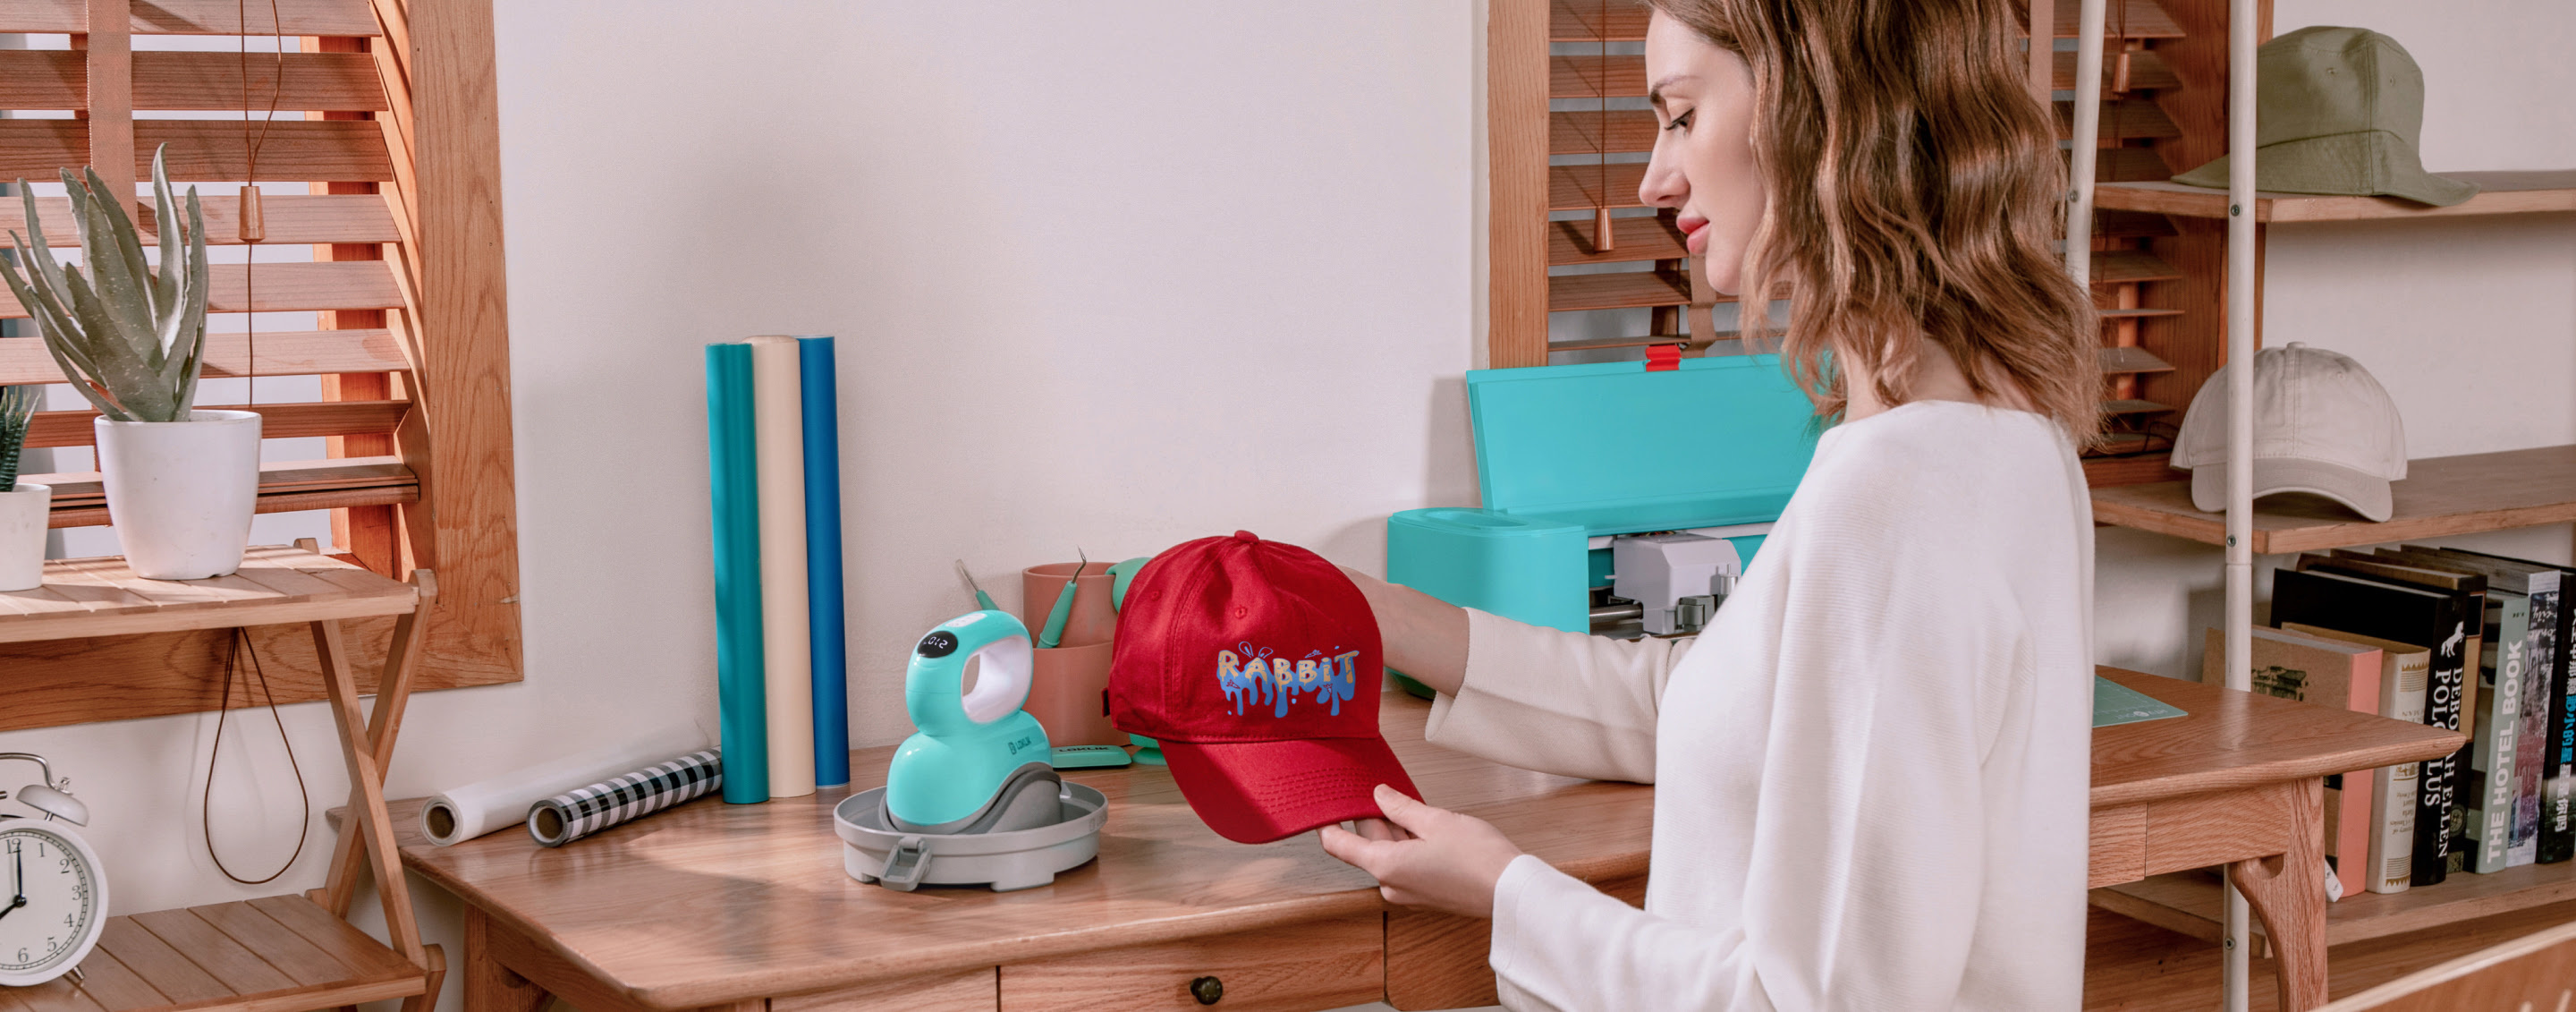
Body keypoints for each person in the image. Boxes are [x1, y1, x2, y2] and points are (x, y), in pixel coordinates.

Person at [1318, 0, 2102, 1008]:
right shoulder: (2008, 443)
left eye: (1681, 116)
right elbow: (1714, 705)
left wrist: (1506, 891)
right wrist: (1363, 612)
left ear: (1819, 112)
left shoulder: (1895, 493)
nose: (1654, 177)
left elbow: (1807, 1002)